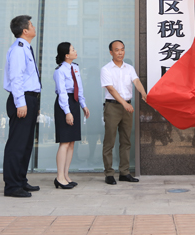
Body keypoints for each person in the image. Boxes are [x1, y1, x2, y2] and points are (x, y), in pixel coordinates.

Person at [2, 15, 41, 198]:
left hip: (29, 99)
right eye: (31, 25)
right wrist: (21, 103)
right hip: (22, 99)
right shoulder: (18, 49)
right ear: (25, 30)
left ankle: (21, 180)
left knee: (25, 145)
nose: (34, 27)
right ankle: (12, 186)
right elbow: (16, 78)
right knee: (17, 144)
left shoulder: (26, 48)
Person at [100, 40, 147, 185]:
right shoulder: (106, 69)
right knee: (110, 141)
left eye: (122, 49)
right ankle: (109, 173)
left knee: (126, 141)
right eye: (117, 50)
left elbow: (137, 82)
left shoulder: (129, 68)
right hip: (113, 108)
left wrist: (144, 94)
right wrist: (124, 104)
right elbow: (111, 90)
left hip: (127, 107)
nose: (120, 52)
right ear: (111, 52)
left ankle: (124, 172)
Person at [53, 42, 90, 189]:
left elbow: (79, 88)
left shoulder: (75, 68)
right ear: (66, 55)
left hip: (74, 102)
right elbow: (62, 92)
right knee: (64, 142)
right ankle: (59, 177)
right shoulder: (60, 71)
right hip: (64, 104)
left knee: (72, 142)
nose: (75, 51)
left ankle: (66, 175)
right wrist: (67, 112)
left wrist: (83, 105)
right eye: (73, 49)